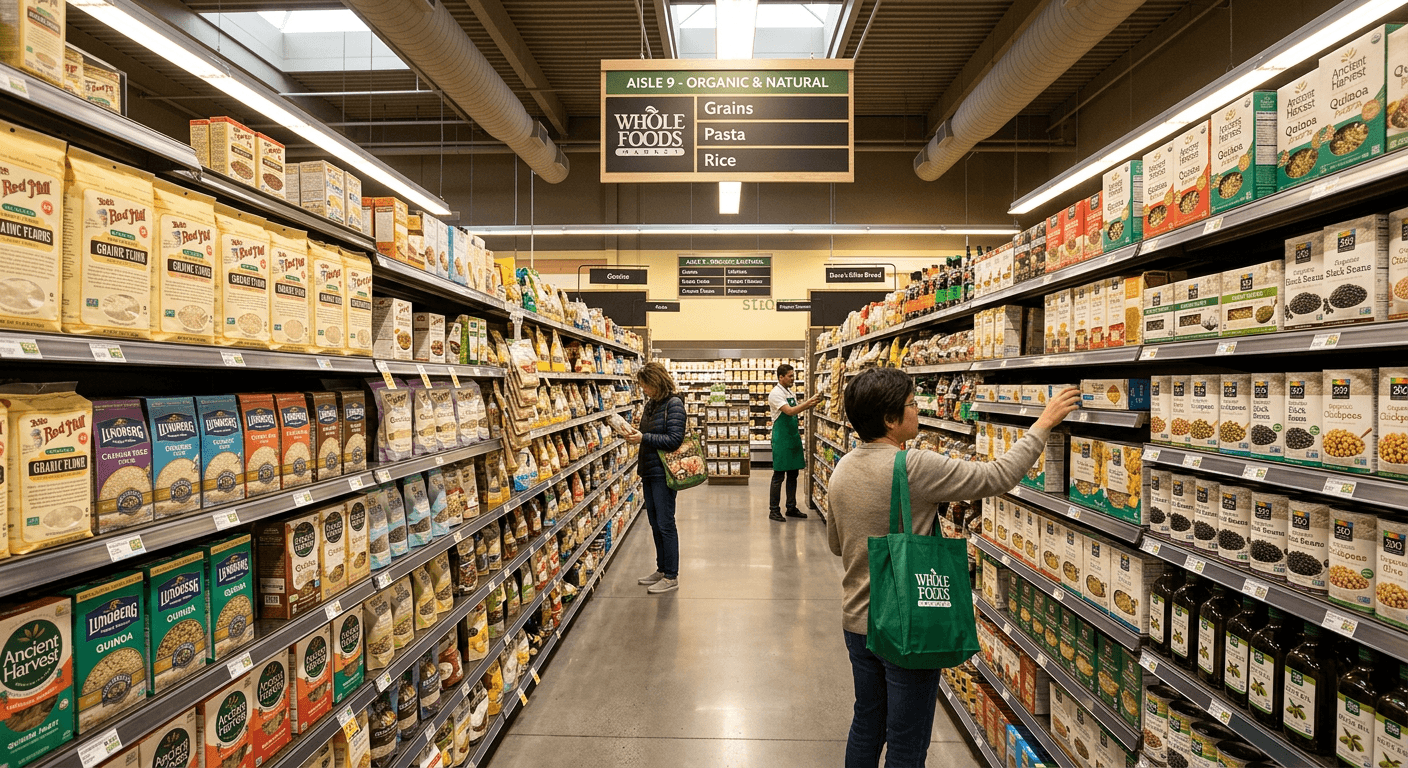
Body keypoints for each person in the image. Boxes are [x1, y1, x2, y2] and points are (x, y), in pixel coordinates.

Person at [827, 368, 1080, 767]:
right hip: (907, 625)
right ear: (891, 419)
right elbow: (997, 476)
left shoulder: (842, 468)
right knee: (907, 742)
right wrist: (1043, 423)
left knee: (867, 723)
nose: (917, 411)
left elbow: (836, 544)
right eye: (912, 405)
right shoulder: (913, 467)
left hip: (857, 622)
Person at [627, 361, 688, 594]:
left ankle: (672, 576)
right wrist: (635, 434)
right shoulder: (651, 405)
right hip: (650, 471)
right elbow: (648, 433)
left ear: (656, 382)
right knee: (654, 523)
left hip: (664, 473)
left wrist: (643, 438)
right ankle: (661, 569)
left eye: (646, 385)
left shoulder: (674, 405)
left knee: (665, 523)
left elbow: (674, 440)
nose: (643, 390)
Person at [768, 363, 821, 522]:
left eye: (793, 375)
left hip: (792, 437)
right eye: (790, 376)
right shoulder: (775, 393)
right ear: (781, 377)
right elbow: (790, 411)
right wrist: (809, 403)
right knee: (778, 476)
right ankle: (774, 510)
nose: (793, 378)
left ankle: (791, 507)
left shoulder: (789, 391)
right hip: (782, 439)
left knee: (793, 474)